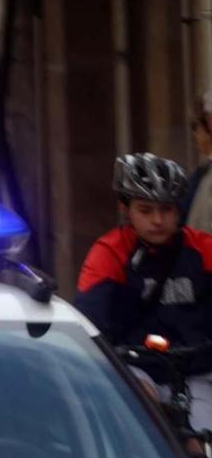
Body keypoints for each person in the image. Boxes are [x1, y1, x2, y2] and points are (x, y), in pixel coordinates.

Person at [77, 154, 212, 430]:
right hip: (138, 369)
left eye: (167, 209)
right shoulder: (111, 252)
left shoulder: (203, 249)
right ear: (125, 208)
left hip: (197, 372)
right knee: (140, 426)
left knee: (203, 446)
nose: (158, 220)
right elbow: (91, 322)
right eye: (145, 210)